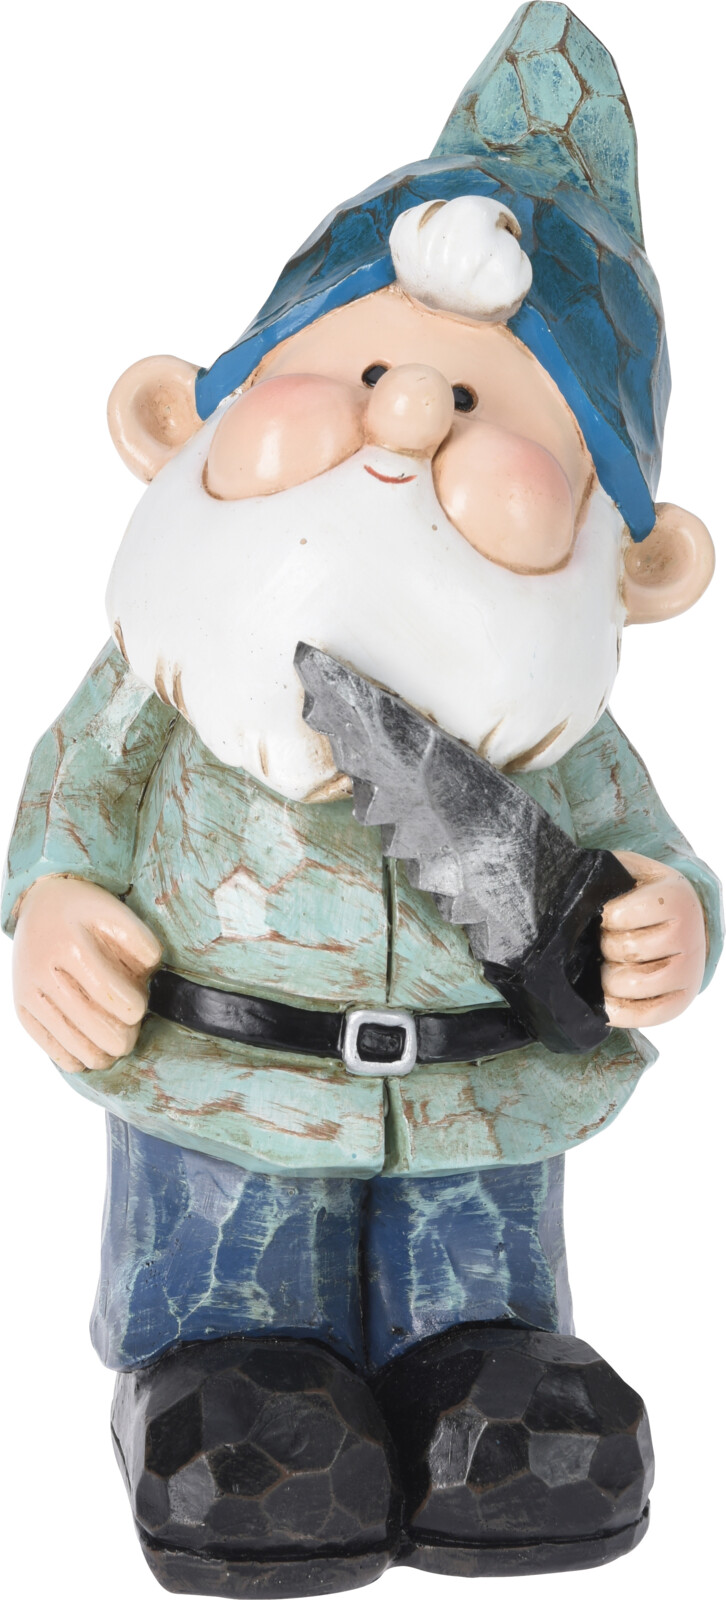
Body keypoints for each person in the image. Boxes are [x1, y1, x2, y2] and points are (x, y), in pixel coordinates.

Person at [4, 4, 721, 1590]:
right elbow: (70, 801)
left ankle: (485, 1390)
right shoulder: (166, 677)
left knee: (484, 1298)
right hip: (225, 1084)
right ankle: (223, 1390)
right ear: (175, 421)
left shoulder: (552, 734)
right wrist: (49, 903)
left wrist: (668, 917)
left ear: (640, 567)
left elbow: (645, 853)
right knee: (235, 1307)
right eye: (370, 370)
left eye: (479, 410)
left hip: (478, 1100)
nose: (401, 418)